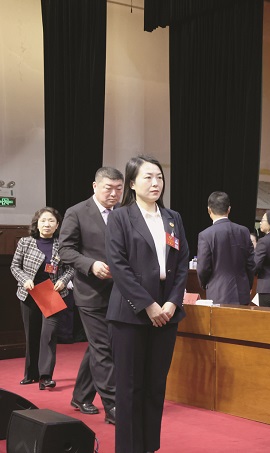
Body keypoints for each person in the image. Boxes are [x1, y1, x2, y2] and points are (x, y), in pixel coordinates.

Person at [105, 155, 189, 453]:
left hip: (167, 313)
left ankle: (149, 447)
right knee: (129, 388)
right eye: (148, 177)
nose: (156, 183)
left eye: (159, 177)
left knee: (155, 387)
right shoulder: (120, 217)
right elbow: (118, 266)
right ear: (132, 183)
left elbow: (181, 264)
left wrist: (172, 302)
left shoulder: (172, 218)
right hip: (130, 314)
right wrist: (148, 305)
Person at [59, 167, 123, 422]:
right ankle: (113, 405)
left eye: (118, 189)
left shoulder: (124, 213)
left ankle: (81, 395)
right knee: (104, 347)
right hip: (90, 293)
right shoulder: (76, 212)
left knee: (100, 346)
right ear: (95, 186)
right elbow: (65, 250)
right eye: (109, 188)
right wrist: (91, 265)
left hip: (119, 292)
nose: (114, 193)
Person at [11, 207, 74, 390]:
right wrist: (25, 280)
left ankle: (45, 376)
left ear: (57, 225)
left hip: (52, 294)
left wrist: (63, 281)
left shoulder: (62, 245)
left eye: (51, 221)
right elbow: (15, 266)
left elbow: (71, 268)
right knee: (32, 334)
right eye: (43, 221)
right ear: (37, 224)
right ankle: (31, 374)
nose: (47, 224)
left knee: (49, 334)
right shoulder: (25, 242)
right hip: (29, 293)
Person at [196, 191, 255, 305]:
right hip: (242, 292)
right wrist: (248, 285)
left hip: (218, 293)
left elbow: (203, 267)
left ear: (209, 210)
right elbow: (250, 264)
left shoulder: (206, 235)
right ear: (229, 209)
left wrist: (205, 284)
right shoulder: (244, 231)